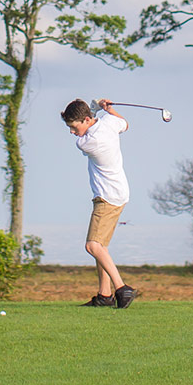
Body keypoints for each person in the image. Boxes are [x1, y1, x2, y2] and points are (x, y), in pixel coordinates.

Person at [62, 97, 138, 308]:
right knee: (101, 246)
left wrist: (98, 109)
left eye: (73, 127)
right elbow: (125, 124)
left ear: (86, 120)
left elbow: (86, 134)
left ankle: (122, 288)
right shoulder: (108, 123)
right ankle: (105, 295)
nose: (72, 132)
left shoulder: (87, 143)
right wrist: (109, 110)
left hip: (107, 197)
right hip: (118, 192)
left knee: (92, 245)